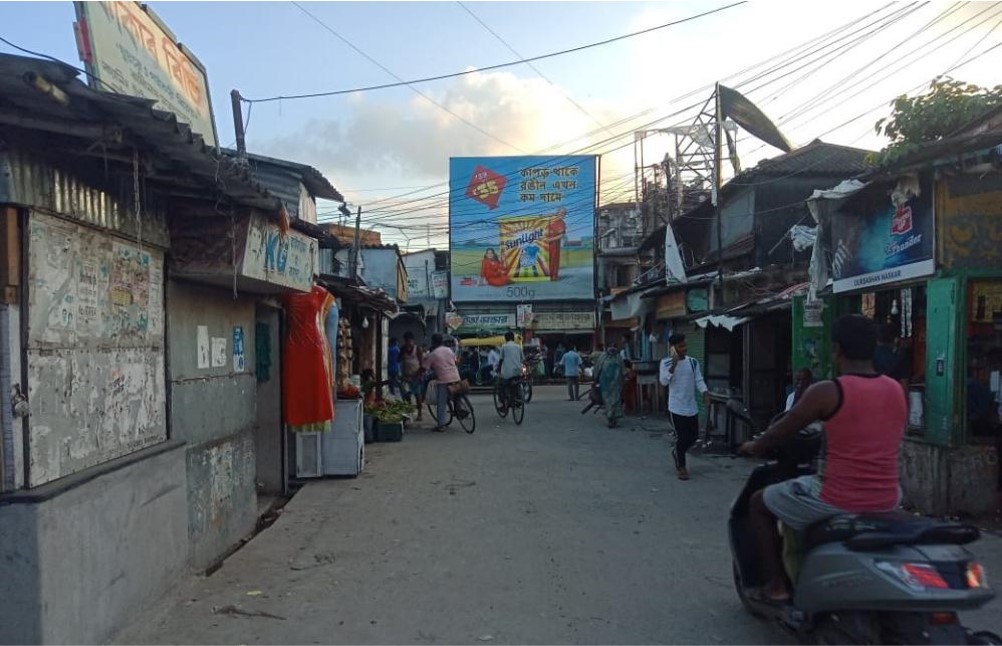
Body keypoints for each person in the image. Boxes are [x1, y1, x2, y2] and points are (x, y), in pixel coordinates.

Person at [738, 314, 907, 604]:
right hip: (888, 497)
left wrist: (755, 445)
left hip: (837, 497)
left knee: (757, 503)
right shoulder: (895, 389)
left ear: (837, 349)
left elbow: (782, 430)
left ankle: (777, 585)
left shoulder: (828, 391)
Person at [659, 333, 710, 481]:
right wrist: (673, 365)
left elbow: (699, 380)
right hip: (676, 407)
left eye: (685, 345)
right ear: (673, 348)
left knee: (694, 436)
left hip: (691, 407)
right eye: (681, 346)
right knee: (683, 437)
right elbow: (663, 382)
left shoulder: (693, 362)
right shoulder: (666, 363)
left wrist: (705, 392)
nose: (684, 348)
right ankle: (682, 467)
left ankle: (677, 452)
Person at [422, 333, 461, 432]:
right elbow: (455, 361)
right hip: (455, 376)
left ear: (433, 342)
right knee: (457, 394)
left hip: (443, 379)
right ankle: (459, 407)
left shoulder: (433, 354)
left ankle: (441, 425)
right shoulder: (449, 350)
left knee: (441, 403)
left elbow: (424, 368)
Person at [400, 331, 425, 422]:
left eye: (410, 341)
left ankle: (420, 414)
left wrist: (418, 375)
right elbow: (399, 361)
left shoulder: (418, 349)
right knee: (406, 395)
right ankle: (409, 413)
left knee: (417, 395)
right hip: (406, 377)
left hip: (416, 376)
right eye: (407, 341)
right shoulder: (403, 349)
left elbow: (422, 364)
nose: (408, 343)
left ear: (413, 341)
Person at [598, 346, 625, 428]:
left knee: (613, 401)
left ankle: (612, 418)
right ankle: (611, 418)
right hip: (607, 384)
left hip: (614, 384)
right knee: (611, 401)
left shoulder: (618, 358)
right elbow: (598, 369)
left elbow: (622, 370)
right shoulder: (604, 358)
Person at [497, 331, 524, 410]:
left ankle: (504, 405)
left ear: (506, 338)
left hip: (507, 372)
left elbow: (501, 360)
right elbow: (522, 359)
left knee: (501, 386)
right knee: (517, 383)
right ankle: (518, 399)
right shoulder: (518, 347)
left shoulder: (504, 347)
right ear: (513, 338)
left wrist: (498, 369)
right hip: (517, 371)